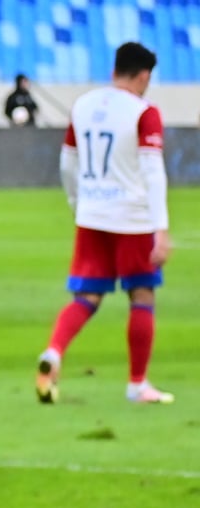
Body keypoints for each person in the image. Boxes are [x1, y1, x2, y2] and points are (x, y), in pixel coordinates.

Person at [37, 42, 171, 405]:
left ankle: (54, 352)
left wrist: (78, 202)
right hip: (133, 220)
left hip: (92, 216)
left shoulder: (83, 105)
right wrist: (161, 228)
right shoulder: (144, 112)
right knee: (142, 295)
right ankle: (137, 385)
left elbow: (68, 162)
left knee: (87, 296)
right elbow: (152, 171)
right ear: (143, 76)